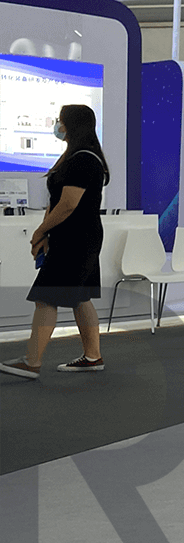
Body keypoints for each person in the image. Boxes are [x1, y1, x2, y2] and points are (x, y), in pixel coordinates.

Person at [0, 105, 109, 379]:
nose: (57, 125)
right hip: (75, 237)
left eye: (60, 120)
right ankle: (92, 356)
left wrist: (40, 231)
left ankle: (31, 362)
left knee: (45, 298)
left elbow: (68, 204)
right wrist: (46, 233)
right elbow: (56, 201)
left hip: (76, 239)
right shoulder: (75, 157)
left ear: (71, 125)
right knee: (80, 297)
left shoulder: (83, 160)